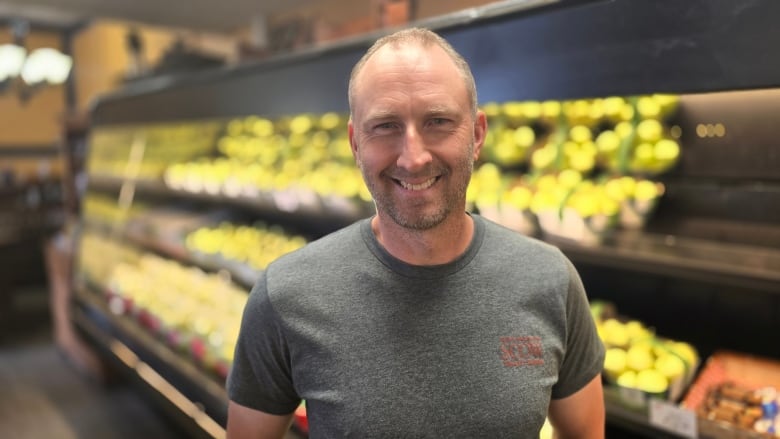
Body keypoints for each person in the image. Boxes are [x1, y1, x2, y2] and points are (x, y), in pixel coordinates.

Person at [226, 27, 605, 438]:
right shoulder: (286, 295)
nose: (414, 157)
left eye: (438, 121)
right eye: (386, 126)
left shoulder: (550, 280)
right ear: (355, 144)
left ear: (477, 135)